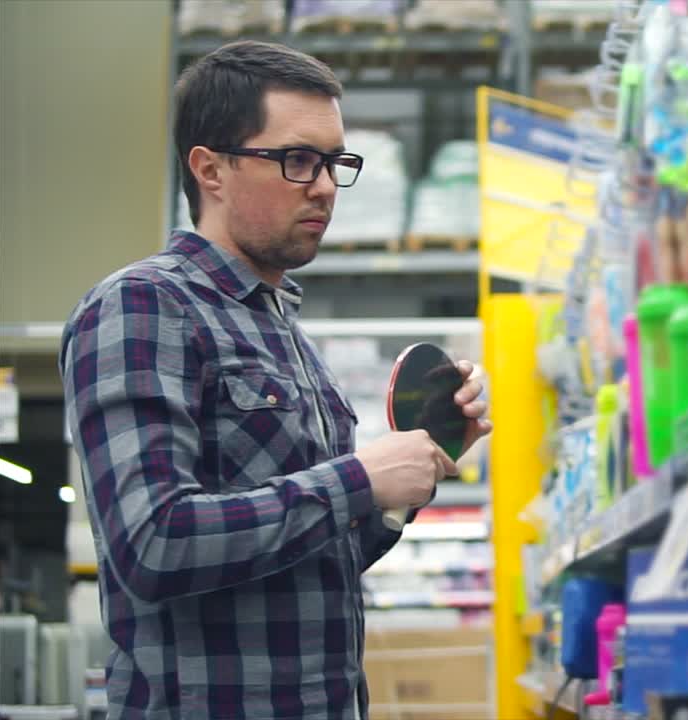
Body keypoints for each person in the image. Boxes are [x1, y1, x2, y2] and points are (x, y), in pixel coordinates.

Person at [58, 40, 491, 720]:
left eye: (335, 162)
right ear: (211, 170)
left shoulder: (285, 330)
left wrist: (417, 468)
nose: (323, 185)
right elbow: (153, 543)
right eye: (296, 160)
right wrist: (359, 477)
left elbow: (319, 565)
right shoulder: (143, 306)